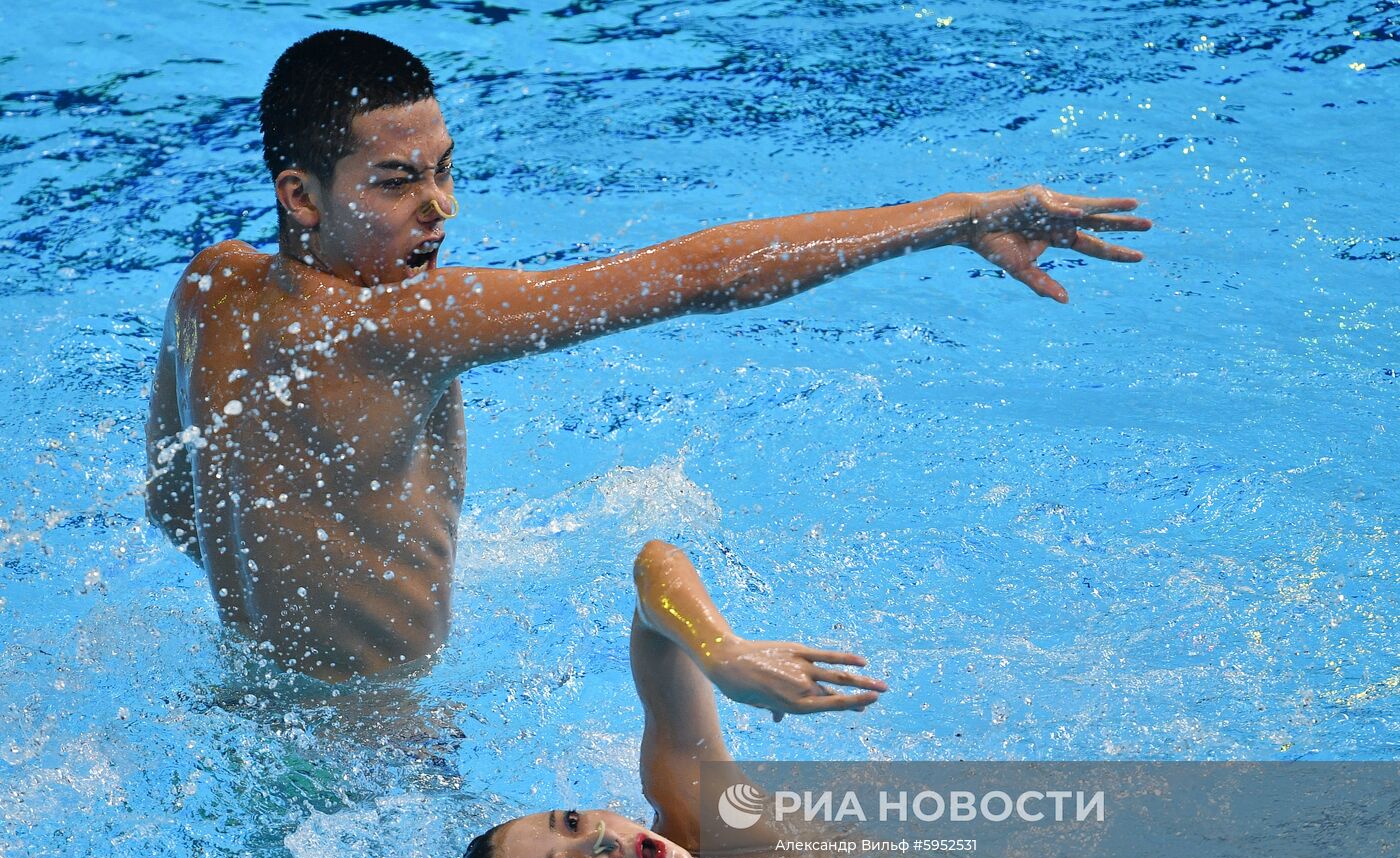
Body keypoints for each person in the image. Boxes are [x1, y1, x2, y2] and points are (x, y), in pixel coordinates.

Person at [144, 29, 1151, 682]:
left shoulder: (207, 285)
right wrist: (953, 216)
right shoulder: (401, 323)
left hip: (249, 696)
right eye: (398, 182)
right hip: (383, 747)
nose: (440, 208)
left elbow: (172, 500)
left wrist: (316, 583)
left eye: (445, 170)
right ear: (301, 195)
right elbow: (700, 277)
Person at [448, 539, 889, 858]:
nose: (599, 841)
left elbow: (654, 567)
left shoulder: (703, 815)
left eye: (572, 821)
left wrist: (720, 650)